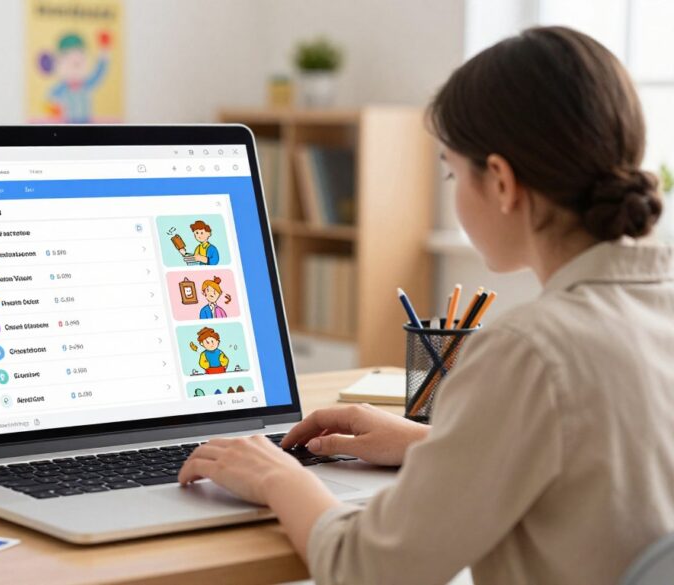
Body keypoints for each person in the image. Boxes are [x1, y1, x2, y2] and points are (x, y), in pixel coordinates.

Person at [178, 26, 674, 585]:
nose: (450, 187)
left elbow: (367, 567)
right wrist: (434, 445)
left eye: (450, 172)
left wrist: (274, 475)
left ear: (503, 183)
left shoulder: (526, 352)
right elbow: (592, 463)